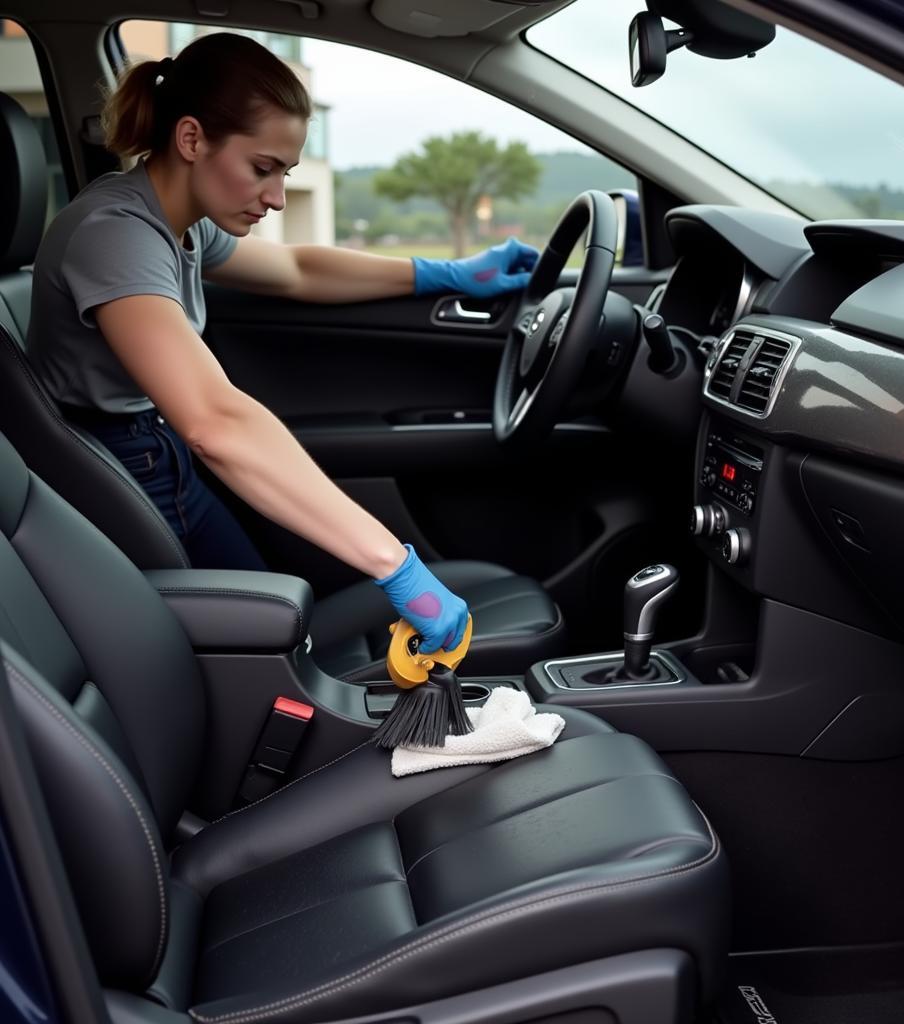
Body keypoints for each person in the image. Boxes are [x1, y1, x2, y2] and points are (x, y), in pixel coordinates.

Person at [26, 32, 538, 654]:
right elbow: (214, 421)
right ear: (191, 140)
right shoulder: (115, 236)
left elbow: (298, 271)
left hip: (155, 454)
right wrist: (393, 565)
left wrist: (446, 273)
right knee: (264, 640)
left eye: (285, 172)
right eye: (262, 169)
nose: (275, 197)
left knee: (277, 619)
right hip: (123, 465)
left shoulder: (178, 225)